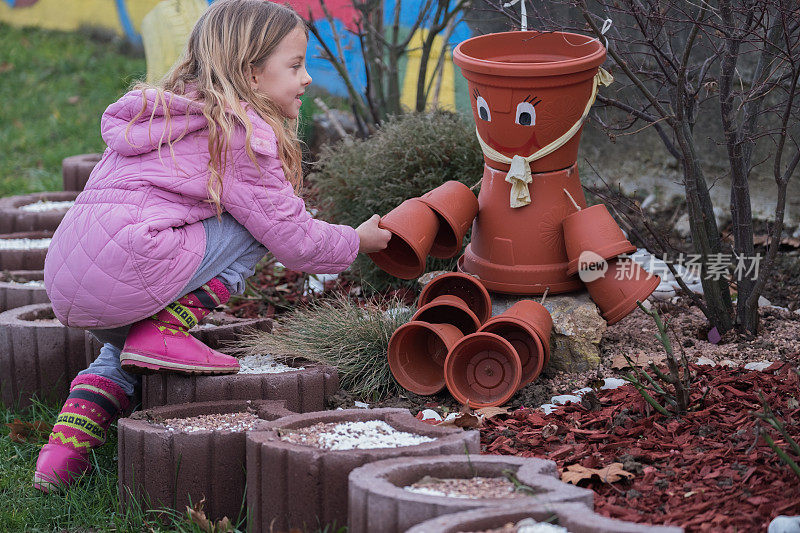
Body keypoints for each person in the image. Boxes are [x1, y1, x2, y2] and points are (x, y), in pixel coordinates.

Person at [34, 0, 390, 492]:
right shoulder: (239, 134)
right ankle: (166, 327)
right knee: (256, 226)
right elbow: (297, 242)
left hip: (72, 279)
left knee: (123, 355)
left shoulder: (163, 115)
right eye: (295, 66)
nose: (307, 78)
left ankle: (60, 455)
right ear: (251, 73)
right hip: (131, 266)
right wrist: (358, 240)